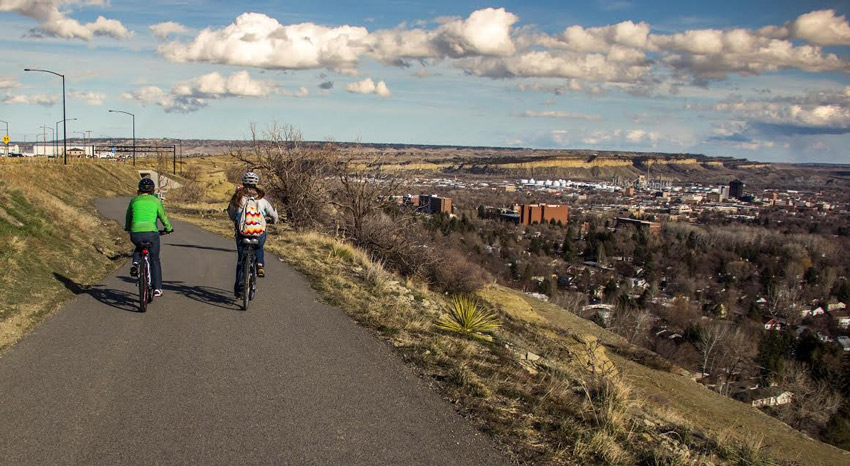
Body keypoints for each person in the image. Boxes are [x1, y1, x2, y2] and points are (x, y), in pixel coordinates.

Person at [228, 172, 279, 297]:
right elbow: (273, 215)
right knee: (259, 246)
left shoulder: (238, 197)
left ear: (243, 182)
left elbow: (232, 214)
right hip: (258, 233)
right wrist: (274, 221)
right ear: (256, 183)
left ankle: (240, 290)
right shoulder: (262, 199)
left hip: (242, 233)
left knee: (241, 261)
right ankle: (260, 263)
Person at [125, 178, 173, 297]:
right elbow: (163, 217)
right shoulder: (155, 201)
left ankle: (135, 263)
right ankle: (157, 288)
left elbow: (128, 216)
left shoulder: (134, 200)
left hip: (136, 232)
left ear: (139, 190)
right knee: (154, 259)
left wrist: (127, 227)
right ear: (152, 190)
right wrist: (168, 228)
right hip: (151, 233)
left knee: (138, 246)